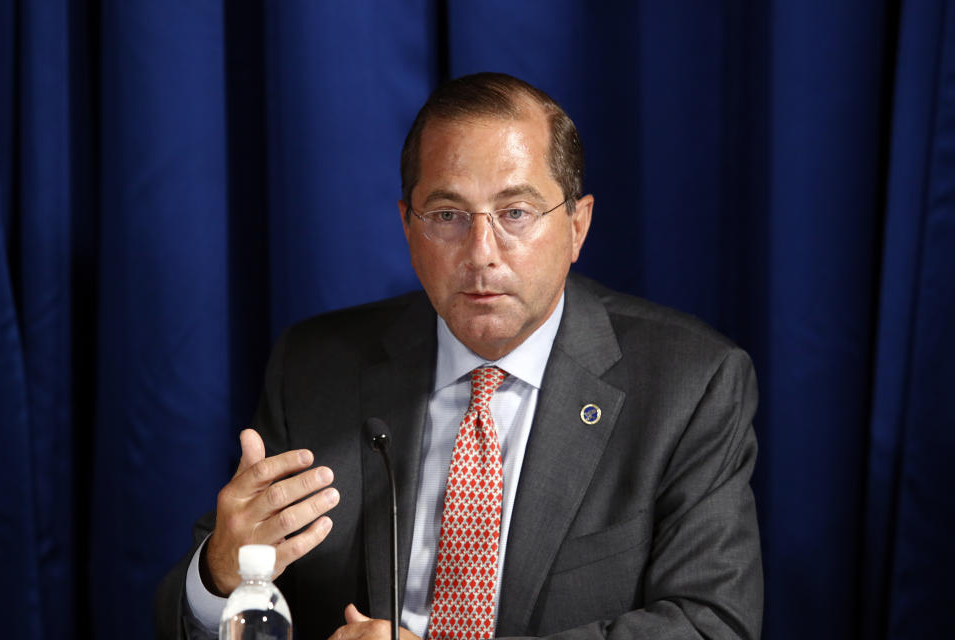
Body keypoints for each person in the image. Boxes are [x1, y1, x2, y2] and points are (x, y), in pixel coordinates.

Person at [156, 72, 762, 640]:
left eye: (515, 213)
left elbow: (711, 623)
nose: (481, 253)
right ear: (408, 228)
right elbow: (191, 613)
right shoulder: (315, 368)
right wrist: (219, 574)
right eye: (447, 216)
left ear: (577, 226)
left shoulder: (690, 382)